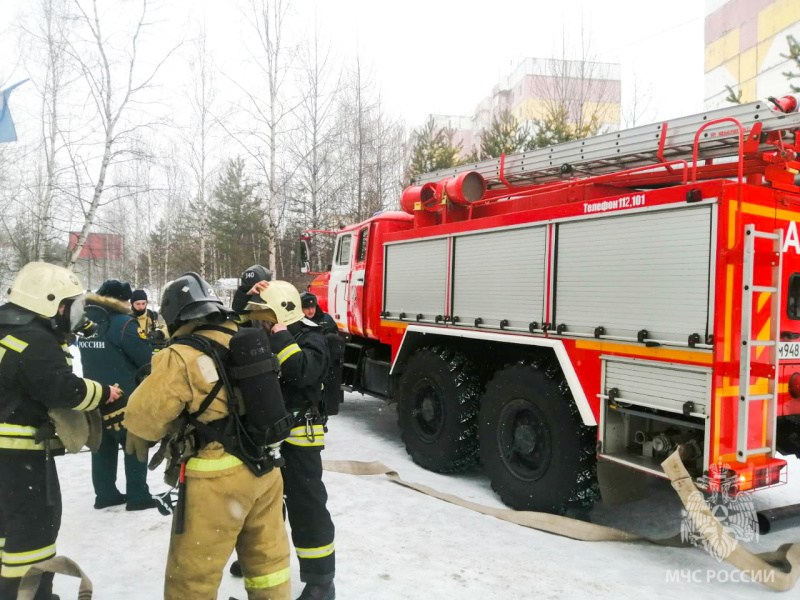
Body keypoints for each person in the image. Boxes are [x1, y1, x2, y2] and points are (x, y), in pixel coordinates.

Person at [123, 272, 291, 600]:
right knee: (269, 564)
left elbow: (145, 417)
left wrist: (137, 431)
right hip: (266, 469)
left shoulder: (180, 356)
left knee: (192, 576)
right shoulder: (242, 338)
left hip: (217, 480)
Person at [0, 262, 121, 600]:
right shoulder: (35, 340)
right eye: (73, 306)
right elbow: (60, 389)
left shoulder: (7, 329)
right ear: (51, 302)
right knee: (32, 535)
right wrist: (103, 393)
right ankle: (30, 594)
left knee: (5, 532)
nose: (76, 315)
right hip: (20, 458)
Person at [244, 279, 335, 600]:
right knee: (261, 503)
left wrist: (281, 335)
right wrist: (248, 297)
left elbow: (301, 370)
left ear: (282, 311)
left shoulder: (312, 336)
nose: (259, 319)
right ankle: (257, 557)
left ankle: (321, 581)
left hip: (299, 436)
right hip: (263, 433)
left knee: (305, 506)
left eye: (264, 313)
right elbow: (235, 328)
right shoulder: (260, 333)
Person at [78, 280, 155, 511]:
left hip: (95, 394)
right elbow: (145, 358)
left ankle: (105, 494)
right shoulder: (124, 324)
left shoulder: (85, 324)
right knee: (134, 444)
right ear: (122, 300)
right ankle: (138, 496)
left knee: (102, 446)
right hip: (124, 396)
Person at [300, 293, 343, 417]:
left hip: (327, 362)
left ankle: (325, 409)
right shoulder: (298, 320)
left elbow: (335, 337)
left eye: (313, 307)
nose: (310, 311)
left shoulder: (326, 319)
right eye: (307, 308)